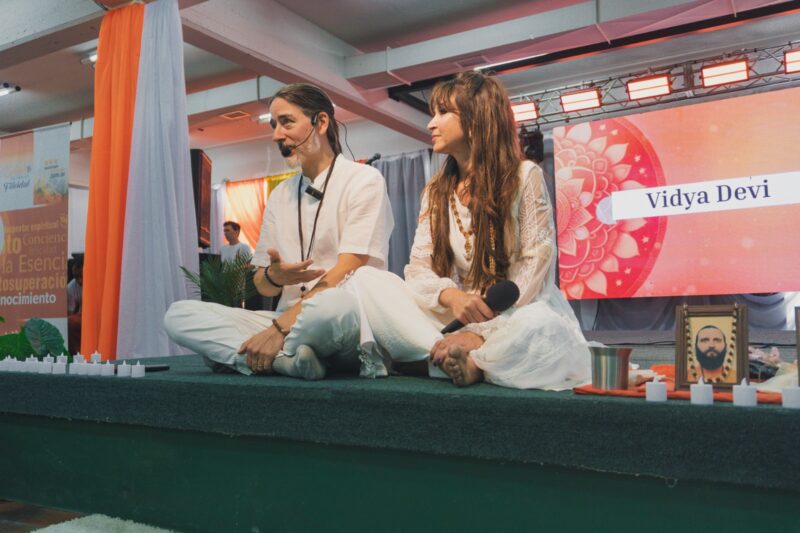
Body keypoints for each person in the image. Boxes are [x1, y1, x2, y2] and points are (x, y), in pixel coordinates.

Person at [314, 71, 590, 388]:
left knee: (542, 328)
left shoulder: (525, 176)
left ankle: (455, 359)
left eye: (443, 112)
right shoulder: (436, 191)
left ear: (475, 120)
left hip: (515, 314)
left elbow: (533, 268)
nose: (431, 124)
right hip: (456, 314)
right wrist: (453, 297)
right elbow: (418, 269)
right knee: (366, 279)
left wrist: (479, 333)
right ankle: (452, 358)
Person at [164, 83, 394, 379]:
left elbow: (349, 267)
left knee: (331, 307)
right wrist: (275, 277)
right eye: (274, 125)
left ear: (321, 122)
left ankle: (258, 356)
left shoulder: (364, 180)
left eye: (287, 122)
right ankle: (289, 361)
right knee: (179, 315)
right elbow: (263, 284)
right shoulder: (279, 195)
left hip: (339, 319)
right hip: (283, 319)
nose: (276, 135)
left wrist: (279, 330)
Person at [67, 257, 83, 355]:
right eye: (76, 277)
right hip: (82, 318)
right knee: (70, 322)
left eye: (81, 276)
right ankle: (76, 354)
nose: (79, 280)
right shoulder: (71, 287)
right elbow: (69, 313)